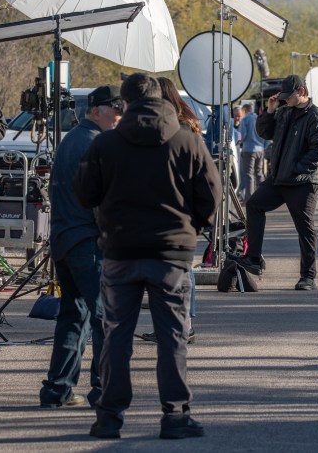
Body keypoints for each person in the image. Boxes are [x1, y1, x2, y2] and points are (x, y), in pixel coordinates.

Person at [74, 73, 221, 440]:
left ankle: (109, 417)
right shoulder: (188, 141)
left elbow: (84, 193)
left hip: (120, 252)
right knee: (172, 336)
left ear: (125, 103)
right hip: (171, 253)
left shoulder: (106, 144)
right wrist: (191, 228)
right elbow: (212, 195)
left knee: (116, 336)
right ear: (162, 100)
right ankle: (175, 416)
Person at [40, 85, 122, 409]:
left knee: (75, 316)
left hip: (64, 241)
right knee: (105, 318)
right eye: (114, 112)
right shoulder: (95, 144)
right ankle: (103, 391)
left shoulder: (71, 140)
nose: (118, 118)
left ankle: (57, 390)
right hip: (88, 243)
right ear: (96, 110)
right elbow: (100, 203)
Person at [231, 74, 318, 290]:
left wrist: (296, 169)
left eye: (289, 96)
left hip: (302, 181)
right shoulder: (284, 112)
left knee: (304, 227)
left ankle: (308, 276)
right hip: (278, 179)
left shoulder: (315, 116)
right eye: (282, 96)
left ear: (301, 92)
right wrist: (269, 111)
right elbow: (264, 132)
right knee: (255, 205)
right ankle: (253, 258)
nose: (285, 100)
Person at [156, 77, 203, 343]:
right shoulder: (186, 122)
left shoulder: (180, 127)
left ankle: (186, 323)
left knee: (182, 267)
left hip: (179, 205)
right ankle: (178, 322)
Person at [238, 103, 266, 201]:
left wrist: (239, 142)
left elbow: (241, 135)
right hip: (260, 150)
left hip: (249, 150)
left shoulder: (245, 120)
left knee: (249, 175)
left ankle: (250, 198)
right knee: (259, 173)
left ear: (245, 110)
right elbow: (266, 135)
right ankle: (263, 196)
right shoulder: (259, 118)